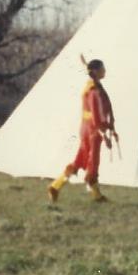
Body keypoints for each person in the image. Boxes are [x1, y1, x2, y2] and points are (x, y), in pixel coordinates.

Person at [47, 58, 117, 203]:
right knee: (93, 161)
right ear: (97, 72)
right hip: (93, 130)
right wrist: (105, 135)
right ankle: (96, 195)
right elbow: (97, 115)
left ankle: (56, 186)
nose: (105, 71)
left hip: (87, 128)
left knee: (80, 160)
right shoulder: (94, 91)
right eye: (103, 69)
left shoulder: (91, 87)